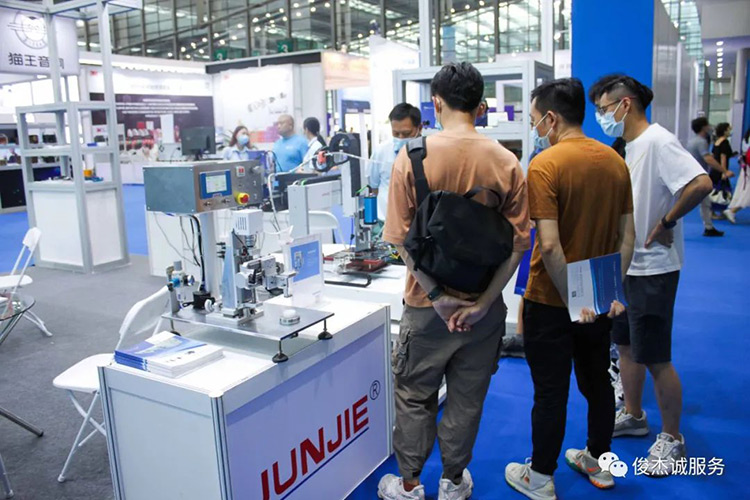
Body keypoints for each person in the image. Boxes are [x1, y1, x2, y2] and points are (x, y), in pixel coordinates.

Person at [378, 62, 530, 500]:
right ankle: (453, 481)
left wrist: (438, 296)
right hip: (483, 311)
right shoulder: (507, 162)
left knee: (414, 395)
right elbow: (519, 245)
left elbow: (399, 240)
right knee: (467, 398)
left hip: (426, 308)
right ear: (481, 107)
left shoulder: (412, 156)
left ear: (436, 103)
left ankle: (409, 485)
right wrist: (483, 303)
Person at [504, 78, 635, 499]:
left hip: (551, 299)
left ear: (551, 118)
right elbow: (627, 237)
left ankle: (541, 476)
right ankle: (599, 460)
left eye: (534, 120)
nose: (535, 128)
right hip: (599, 297)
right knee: (597, 382)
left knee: (551, 390)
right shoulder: (615, 161)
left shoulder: (545, 164)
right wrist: (609, 293)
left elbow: (549, 245)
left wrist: (573, 300)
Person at [589, 74, 712, 477]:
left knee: (656, 356)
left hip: (653, 268)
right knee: (625, 346)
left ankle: (672, 437)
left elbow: (700, 183)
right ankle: (634, 414)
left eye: (604, 108)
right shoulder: (627, 147)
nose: (601, 116)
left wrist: (667, 221)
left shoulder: (659, 141)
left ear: (625, 104)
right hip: (624, 264)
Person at [369, 103, 422, 238]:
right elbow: (374, 187)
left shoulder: (429, 152)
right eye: (396, 133)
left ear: (419, 128)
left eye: (406, 133)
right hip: (384, 223)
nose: (400, 138)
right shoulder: (381, 151)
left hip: (417, 224)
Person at [687, 117, 727, 236]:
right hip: (697, 177)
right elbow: (708, 159)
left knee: (705, 203)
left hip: (693, 176)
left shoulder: (693, 141)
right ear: (703, 127)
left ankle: (709, 227)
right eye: (707, 125)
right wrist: (724, 170)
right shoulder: (701, 142)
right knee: (697, 203)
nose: (709, 127)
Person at [725, 128, 750, 222]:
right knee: (747, 193)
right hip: (748, 168)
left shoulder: (746, 138)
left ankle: (732, 209)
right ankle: (732, 211)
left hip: (746, 167)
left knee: (744, 190)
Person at [711, 122, 736, 218]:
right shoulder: (725, 142)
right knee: (724, 191)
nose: (730, 131)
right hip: (721, 170)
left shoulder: (716, 142)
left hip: (714, 170)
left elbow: (714, 156)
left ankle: (714, 211)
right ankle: (721, 211)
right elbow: (723, 158)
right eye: (729, 129)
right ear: (724, 131)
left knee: (715, 191)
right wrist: (724, 172)